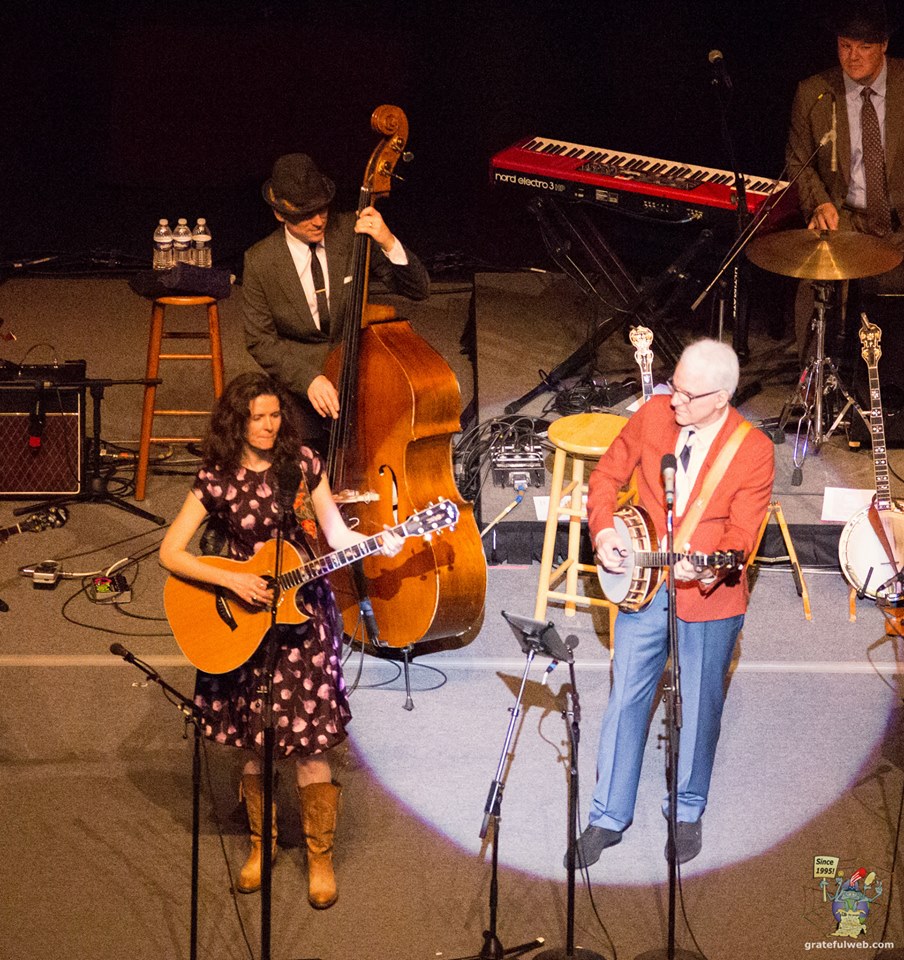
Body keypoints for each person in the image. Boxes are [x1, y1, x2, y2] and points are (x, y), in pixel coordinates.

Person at [159, 371, 403, 909]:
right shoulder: (216, 478)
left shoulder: (303, 464)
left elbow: (335, 534)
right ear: (237, 422)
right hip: (246, 621)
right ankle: (260, 845)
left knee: (309, 745)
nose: (269, 426)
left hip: (303, 617)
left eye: (275, 415)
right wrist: (231, 581)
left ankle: (320, 856)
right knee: (257, 743)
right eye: (258, 418)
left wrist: (378, 541)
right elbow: (170, 552)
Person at [574, 339, 774, 867]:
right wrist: (603, 531)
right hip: (642, 583)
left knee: (700, 704)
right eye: (674, 386)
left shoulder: (753, 449)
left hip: (708, 597)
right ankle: (608, 815)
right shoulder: (653, 414)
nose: (674, 400)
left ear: (722, 398)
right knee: (626, 697)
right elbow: (606, 477)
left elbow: (742, 535)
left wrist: (707, 567)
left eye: (687, 394)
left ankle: (686, 810)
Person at [242, 153, 431, 444]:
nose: (318, 221)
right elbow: (260, 340)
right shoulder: (259, 261)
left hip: (359, 373)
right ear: (280, 214)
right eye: (306, 214)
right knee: (290, 453)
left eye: (322, 209)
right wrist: (309, 380)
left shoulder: (352, 233)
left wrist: (388, 240)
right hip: (301, 382)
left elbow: (418, 290)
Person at [785, 2, 904, 361]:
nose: (853, 57)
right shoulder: (815, 92)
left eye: (864, 47)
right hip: (846, 216)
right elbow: (798, 160)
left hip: (900, 219)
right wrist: (819, 202)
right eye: (845, 46)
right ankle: (813, 377)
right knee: (814, 280)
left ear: (884, 45)